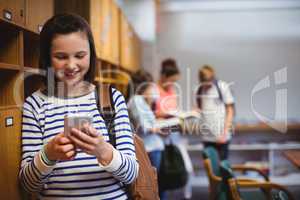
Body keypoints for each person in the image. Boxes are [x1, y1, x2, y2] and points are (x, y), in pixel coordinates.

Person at [19, 13, 138, 199]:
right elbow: (28, 184)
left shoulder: (112, 99)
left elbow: (131, 174)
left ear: (91, 53)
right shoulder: (34, 105)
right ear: (47, 58)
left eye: (80, 55)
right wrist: (49, 154)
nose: (71, 65)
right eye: (61, 56)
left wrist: (103, 150)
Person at [155, 58, 193, 200]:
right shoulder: (153, 90)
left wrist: (181, 116)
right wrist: (166, 114)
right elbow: (150, 113)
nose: (172, 84)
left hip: (173, 135)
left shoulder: (171, 91)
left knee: (182, 168)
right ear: (163, 76)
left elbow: (175, 109)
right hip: (159, 137)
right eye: (171, 80)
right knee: (162, 174)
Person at [127, 70, 166, 176]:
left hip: (152, 148)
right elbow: (145, 127)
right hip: (149, 149)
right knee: (151, 186)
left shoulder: (140, 101)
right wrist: (161, 126)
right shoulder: (136, 100)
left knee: (155, 185)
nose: (154, 89)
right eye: (151, 86)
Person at [196, 65, 235, 160]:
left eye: (210, 80)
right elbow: (199, 109)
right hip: (207, 136)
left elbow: (230, 110)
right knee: (209, 167)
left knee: (223, 166)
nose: (208, 84)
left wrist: (225, 133)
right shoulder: (199, 90)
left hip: (222, 135)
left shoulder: (222, 87)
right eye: (205, 81)